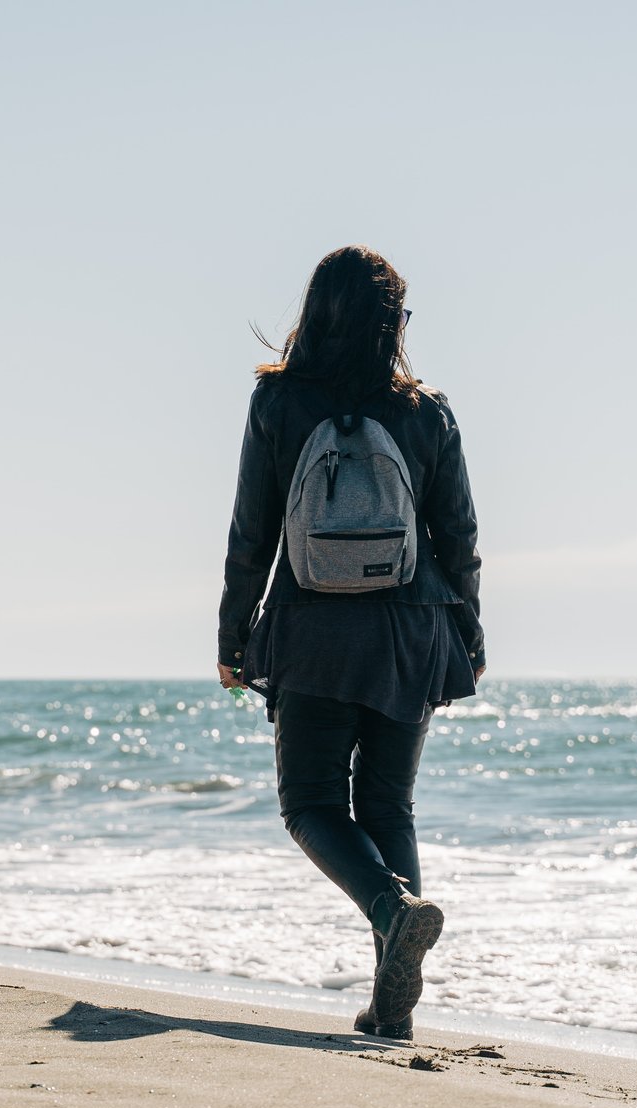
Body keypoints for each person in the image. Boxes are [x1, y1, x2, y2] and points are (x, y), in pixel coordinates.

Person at [217, 245, 485, 1040]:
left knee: (309, 805)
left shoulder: (278, 403)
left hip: (313, 631)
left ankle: (391, 914)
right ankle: (392, 999)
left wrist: (234, 636)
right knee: (387, 806)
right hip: (413, 629)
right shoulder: (427, 410)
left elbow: (252, 532)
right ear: (388, 324)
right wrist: (467, 631)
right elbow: (459, 534)